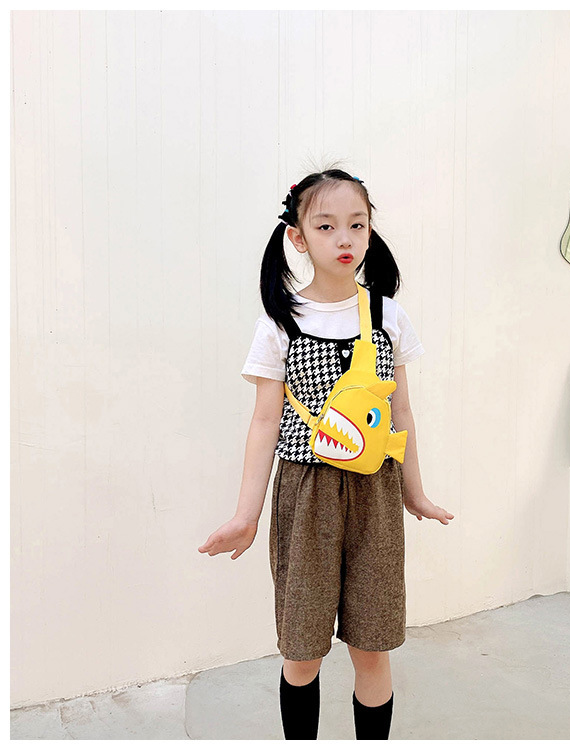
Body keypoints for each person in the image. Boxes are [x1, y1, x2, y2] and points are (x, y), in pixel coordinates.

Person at [198, 168, 454, 740]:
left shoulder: (388, 316)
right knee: (303, 651)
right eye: (326, 226)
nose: (345, 238)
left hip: (376, 494)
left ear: (370, 232)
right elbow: (265, 422)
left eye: (357, 225)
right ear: (297, 236)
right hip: (305, 493)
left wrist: (414, 492)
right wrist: (246, 515)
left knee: (372, 647)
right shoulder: (280, 321)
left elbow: (401, 413)